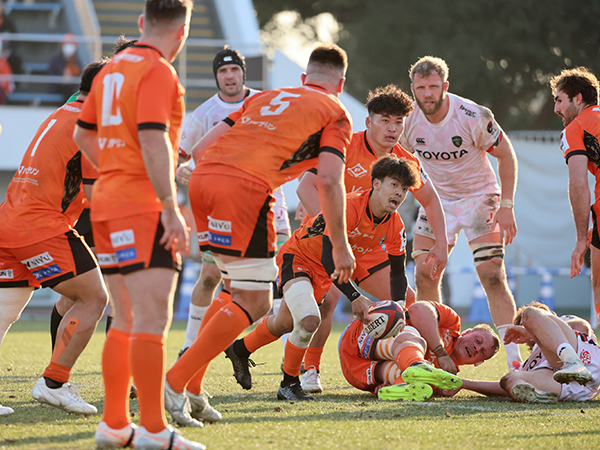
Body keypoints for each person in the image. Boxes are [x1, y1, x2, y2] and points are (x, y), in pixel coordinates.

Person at [163, 42, 358, 420]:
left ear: (303, 78)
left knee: (232, 290)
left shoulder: (266, 97)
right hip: (246, 190)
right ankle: (176, 380)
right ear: (340, 84)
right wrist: (340, 244)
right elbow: (329, 182)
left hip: (203, 183)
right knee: (256, 302)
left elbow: (200, 149)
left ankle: (195, 387)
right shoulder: (335, 112)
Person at [73, 1, 205, 448]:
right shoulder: (158, 71)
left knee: (125, 318)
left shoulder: (110, 70)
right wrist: (169, 204)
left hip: (107, 204)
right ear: (182, 32)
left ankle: (114, 424)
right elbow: (152, 138)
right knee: (151, 319)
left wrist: (115, 169)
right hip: (141, 205)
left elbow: (82, 134)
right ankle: (153, 430)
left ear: (142, 22)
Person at [293, 84, 448, 394]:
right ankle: (310, 368)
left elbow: (431, 200)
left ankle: (426, 364)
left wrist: (441, 243)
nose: (392, 128)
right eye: (385, 120)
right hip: (329, 242)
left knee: (409, 304)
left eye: (399, 122)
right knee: (328, 300)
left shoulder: (406, 161)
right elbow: (305, 187)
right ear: (369, 122)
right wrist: (332, 229)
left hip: (369, 246)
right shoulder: (343, 146)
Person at [226, 155, 420, 400]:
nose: (399, 193)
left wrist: (399, 306)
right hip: (299, 256)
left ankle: (239, 349)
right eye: (394, 185)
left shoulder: (395, 225)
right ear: (376, 184)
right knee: (309, 320)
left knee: (284, 323)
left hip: (323, 273)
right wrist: (355, 297)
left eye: (405, 189)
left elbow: (398, 271)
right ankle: (289, 384)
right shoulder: (348, 207)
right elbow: (329, 258)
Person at [0, 60, 111, 417]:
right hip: (41, 225)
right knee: (94, 298)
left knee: (5, 311)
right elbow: (97, 195)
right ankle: (54, 382)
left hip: (10, 217)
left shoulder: (62, 111)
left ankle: (55, 378)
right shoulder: (90, 124)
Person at [399, 56, 520, 369]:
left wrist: (507, 205)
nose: (427, 94)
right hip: (437, 201)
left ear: (445, 87)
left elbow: (506, 155)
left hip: (480, 197)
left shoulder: (472, 115)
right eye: (421, 88)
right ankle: (436, 354)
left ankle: (516, 363)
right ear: (412, 89)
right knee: (425, 273)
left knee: (492, 275)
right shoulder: (407, 120)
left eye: (433, 87)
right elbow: (394, 160)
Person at [174, 46, 291, 367]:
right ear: (216, 77)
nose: (229, 76)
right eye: (223, 71)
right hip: (224, 208)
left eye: (234, 70)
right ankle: (190, 346)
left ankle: (289, 361)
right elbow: (181, 157)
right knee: (211, 276)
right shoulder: (204, 114)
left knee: (284, 274)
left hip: (269, 203)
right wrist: (181, 170)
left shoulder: (266, 103)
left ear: (243, 73)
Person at [339, 300, 499, 401]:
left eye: (482, 352)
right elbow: (417, 309)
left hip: (358, 371)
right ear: (467, 332)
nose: (477, 348)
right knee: (413, 336)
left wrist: (463, 383)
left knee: (423, 383)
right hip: (364, 332)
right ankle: (416, 365)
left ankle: (399, 386)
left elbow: (506, 387)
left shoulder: (446, 380)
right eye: (477, 341)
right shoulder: (451, 323)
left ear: (478, 363)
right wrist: (440, 353)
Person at [444, 303, 599, 403]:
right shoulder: (530, 363)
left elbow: (582, 327)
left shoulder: (563, 322)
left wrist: (533, 332)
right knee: (510, 379)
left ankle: (572, 361)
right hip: (572, 390)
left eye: (526, 327)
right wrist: (464, 383)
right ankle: (538, 397)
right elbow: (503, 388)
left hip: (584, 360)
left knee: (530, 313)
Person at [550, 67, 600, 326]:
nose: (556, 109)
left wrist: (582, 238)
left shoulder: (575, 127)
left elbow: (579, 183)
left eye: (559, 100)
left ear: (578, 99)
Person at [48, 34, 82, 102]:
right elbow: (51, 77)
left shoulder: (77, 62)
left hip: (72, 89)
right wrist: (62, 78)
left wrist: (71, 79)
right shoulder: (55, 60)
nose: (68, 46)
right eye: (66, 43)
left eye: (71, 43)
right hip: (58, 89)